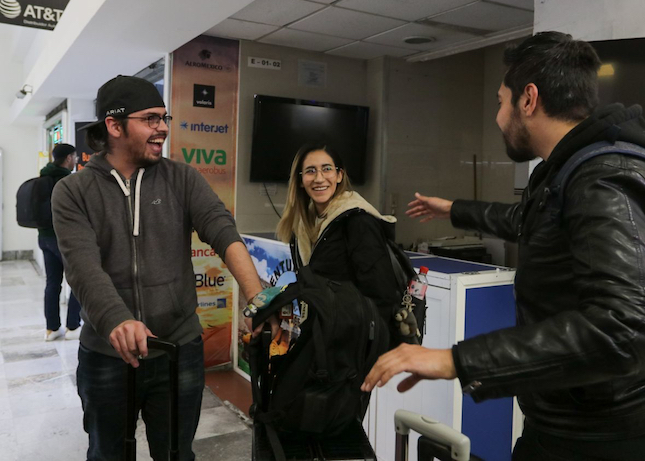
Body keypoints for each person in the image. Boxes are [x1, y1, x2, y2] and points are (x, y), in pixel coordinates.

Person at [362, 31, 645, 461]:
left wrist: (457, 361)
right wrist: (454, 209)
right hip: (573, 427)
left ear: (528, 99)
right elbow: (529, 220)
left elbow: (626, 329)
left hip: (603, 442)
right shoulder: (572, 171)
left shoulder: (601, 178)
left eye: (501, 101)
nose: (498, 117)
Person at [51, 75, 262, 461]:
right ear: (114, 126)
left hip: (177, 350)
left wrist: (257, 297)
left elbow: (221, 229)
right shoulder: (73, 191)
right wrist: (118, 320)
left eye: (164, 118)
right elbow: (82, 267)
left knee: (177, 454)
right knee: (107, 454)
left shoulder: (182, 178)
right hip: (106, 357)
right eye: (150, 118)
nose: (162, 128)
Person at [277, 142, 405, 347]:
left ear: (339, 175)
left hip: (350, 347)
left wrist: (362, 351)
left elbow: (382, 295)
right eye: (310, 171)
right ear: (301, 180)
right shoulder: (302, 225)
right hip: (320, 336)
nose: (319, 178)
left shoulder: (358, 221)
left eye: (327, 169)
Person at [38, 143, 82, 341]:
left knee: (52, 283)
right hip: (63, 238)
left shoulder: (43, 177)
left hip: (44, 237)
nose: (77, 160)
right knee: (79, 279)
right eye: (75, 157)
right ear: (68, 158)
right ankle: (73, 326)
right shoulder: (67, 180)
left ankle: (52, 329)